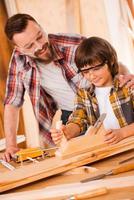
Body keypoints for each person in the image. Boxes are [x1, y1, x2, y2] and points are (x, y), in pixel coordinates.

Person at [3, 13, 134, 162]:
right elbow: (12, 102)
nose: (40, 46)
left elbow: (107, 59)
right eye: (30, 46)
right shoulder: (18, 62)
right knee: (82, 156)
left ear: (40, 27)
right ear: (19, 49)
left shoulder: (73, 43)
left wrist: (128, 76)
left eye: (39, 36)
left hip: (100, 107)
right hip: (73, 112)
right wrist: (11, 145)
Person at [51, 37, 134, 145]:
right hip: (105, 151)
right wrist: (67, 131)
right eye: (85, 71)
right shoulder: (83, 95)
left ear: (111, 61)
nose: (91, 75)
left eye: (96, 69)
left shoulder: (127, 87)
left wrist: (122, 133)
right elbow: (78, 120)